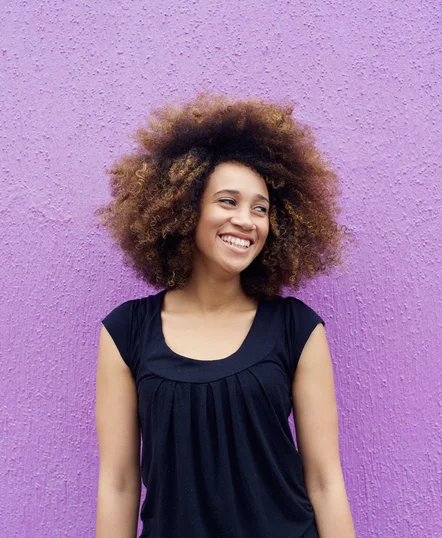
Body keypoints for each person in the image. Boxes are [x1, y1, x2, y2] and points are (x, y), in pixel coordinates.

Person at [94, 92, 356, 538]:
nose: (246, 221)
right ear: (184, 207)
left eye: (261, 208)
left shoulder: (297, 329)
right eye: (227, 201)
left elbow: (325, 481)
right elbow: (119, 485)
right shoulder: (126, 332)